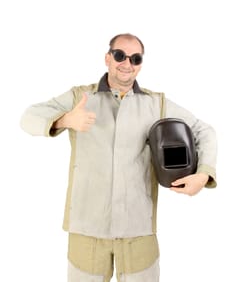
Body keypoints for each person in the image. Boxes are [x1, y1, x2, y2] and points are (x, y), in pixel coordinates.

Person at [20, 33, 217, 282]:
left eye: (135, 58)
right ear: (107, 58)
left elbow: (204, 131)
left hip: (138, 228)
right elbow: (28, 117)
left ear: (140, 64)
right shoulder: (80, 97)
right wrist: (64, 119)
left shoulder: (156, 104)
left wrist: (203, 174)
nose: (127, 63)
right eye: (120, 55)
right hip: (86, 227)